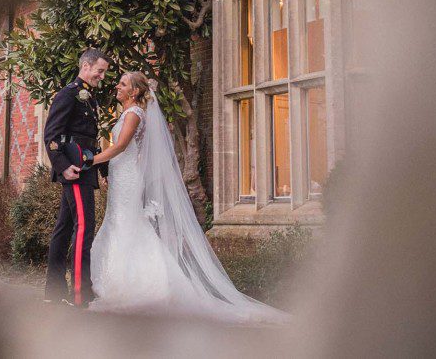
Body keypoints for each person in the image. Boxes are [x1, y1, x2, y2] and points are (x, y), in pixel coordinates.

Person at [88, 71, 289, 324]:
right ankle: (121, 280)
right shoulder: (129, 113)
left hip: (128, 179)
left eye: (123, 83)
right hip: (121, 176)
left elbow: (120, 147)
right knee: (120, 224)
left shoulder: (134, 114)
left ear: (135, 91)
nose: (116, 85)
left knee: (128, 225)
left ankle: (146, 285)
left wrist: (90, 160)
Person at [42, 48, 110, 307]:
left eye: (103, 72)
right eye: (99, 71)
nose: (101, 76)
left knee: (63, 229)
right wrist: (63, 167)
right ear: (85, 66)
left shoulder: (89, 98)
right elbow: (52, 135)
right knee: (84, 228)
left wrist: (104, 171)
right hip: (75, 170)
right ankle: (81, 294)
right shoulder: (68, 95)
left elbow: (90, 140)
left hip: (85, 168)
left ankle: (54, 291)